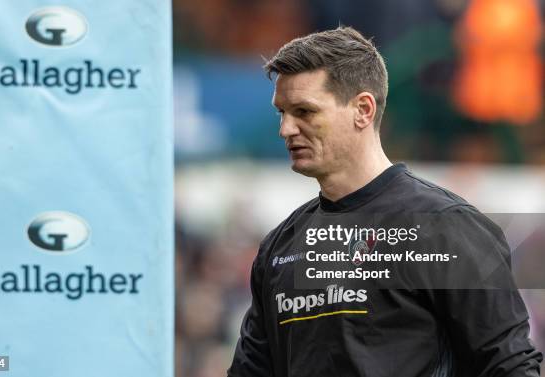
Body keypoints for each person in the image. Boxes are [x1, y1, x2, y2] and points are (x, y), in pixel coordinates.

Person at [227, 27, 542, 377]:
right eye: (281, 113)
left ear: (363, 109)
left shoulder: (445, 228)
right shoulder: (280, 246)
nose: (286, 129)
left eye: (304, 111)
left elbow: (509, 366)